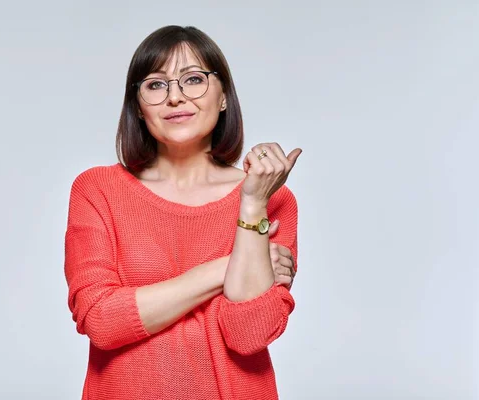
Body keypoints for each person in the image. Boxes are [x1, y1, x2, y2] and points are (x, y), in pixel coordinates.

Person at [64, 25, 302, 400]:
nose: (175, 97)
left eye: (193, 79)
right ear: (139, 108)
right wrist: (229, 266)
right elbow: (102, 321)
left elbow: (248, 334)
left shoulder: (272, 197)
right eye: (156, 85)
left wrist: (253, 202)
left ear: (223, 96)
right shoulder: (98, 190)